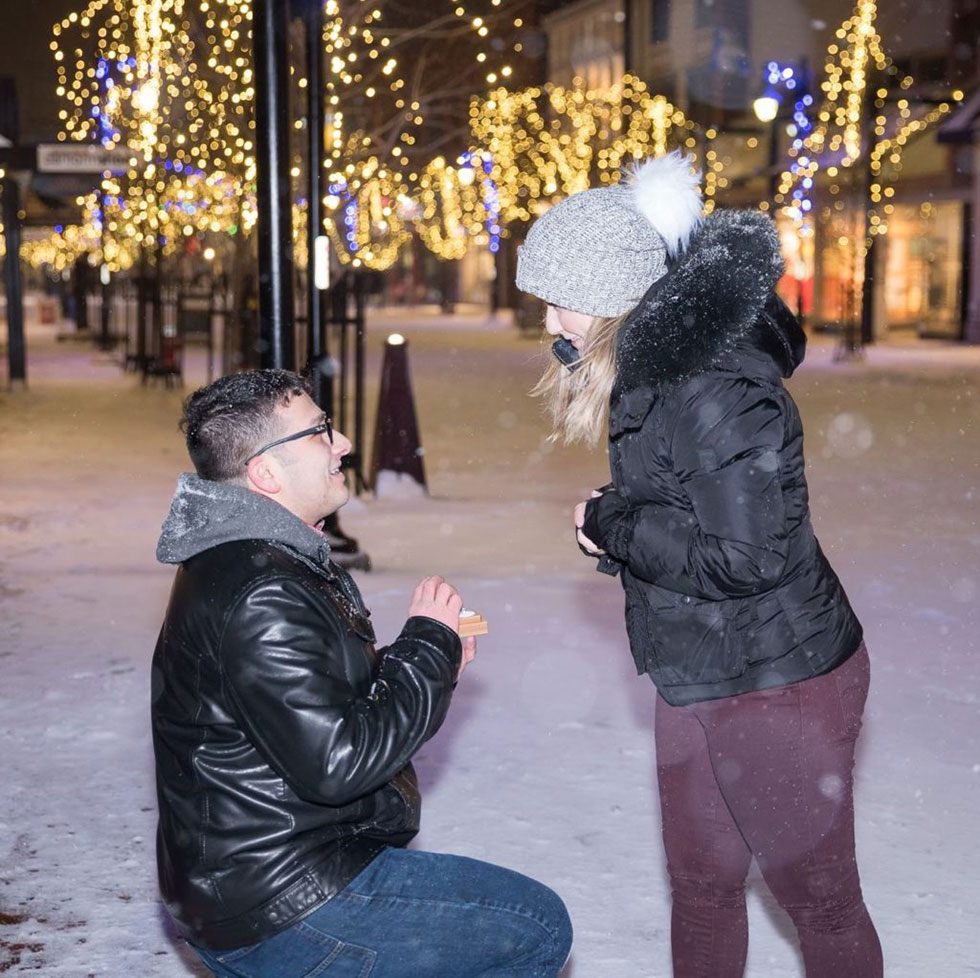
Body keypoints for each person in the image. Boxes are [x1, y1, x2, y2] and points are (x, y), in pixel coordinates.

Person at [515, 151, 881, 978]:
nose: (549, 321)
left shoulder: (712, 387)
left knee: (819, 902)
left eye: (559, 299)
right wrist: (619, 531)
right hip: (700, 671)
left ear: (614, 299)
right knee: (703, 886)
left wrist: (615, 524)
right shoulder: (655, 374)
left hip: (780, 678)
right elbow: (689, 522)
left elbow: (748, 555)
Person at [151, 369, 572, 978]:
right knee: (534, 926)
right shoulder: (263, 587)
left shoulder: (246, 558)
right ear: (266, 474)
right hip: (280, 898)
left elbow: (311, 707)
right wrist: (427, 648)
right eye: (320, 432)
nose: (343, 441)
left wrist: (415, 662)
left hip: (247, 882)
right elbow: (339, 761)